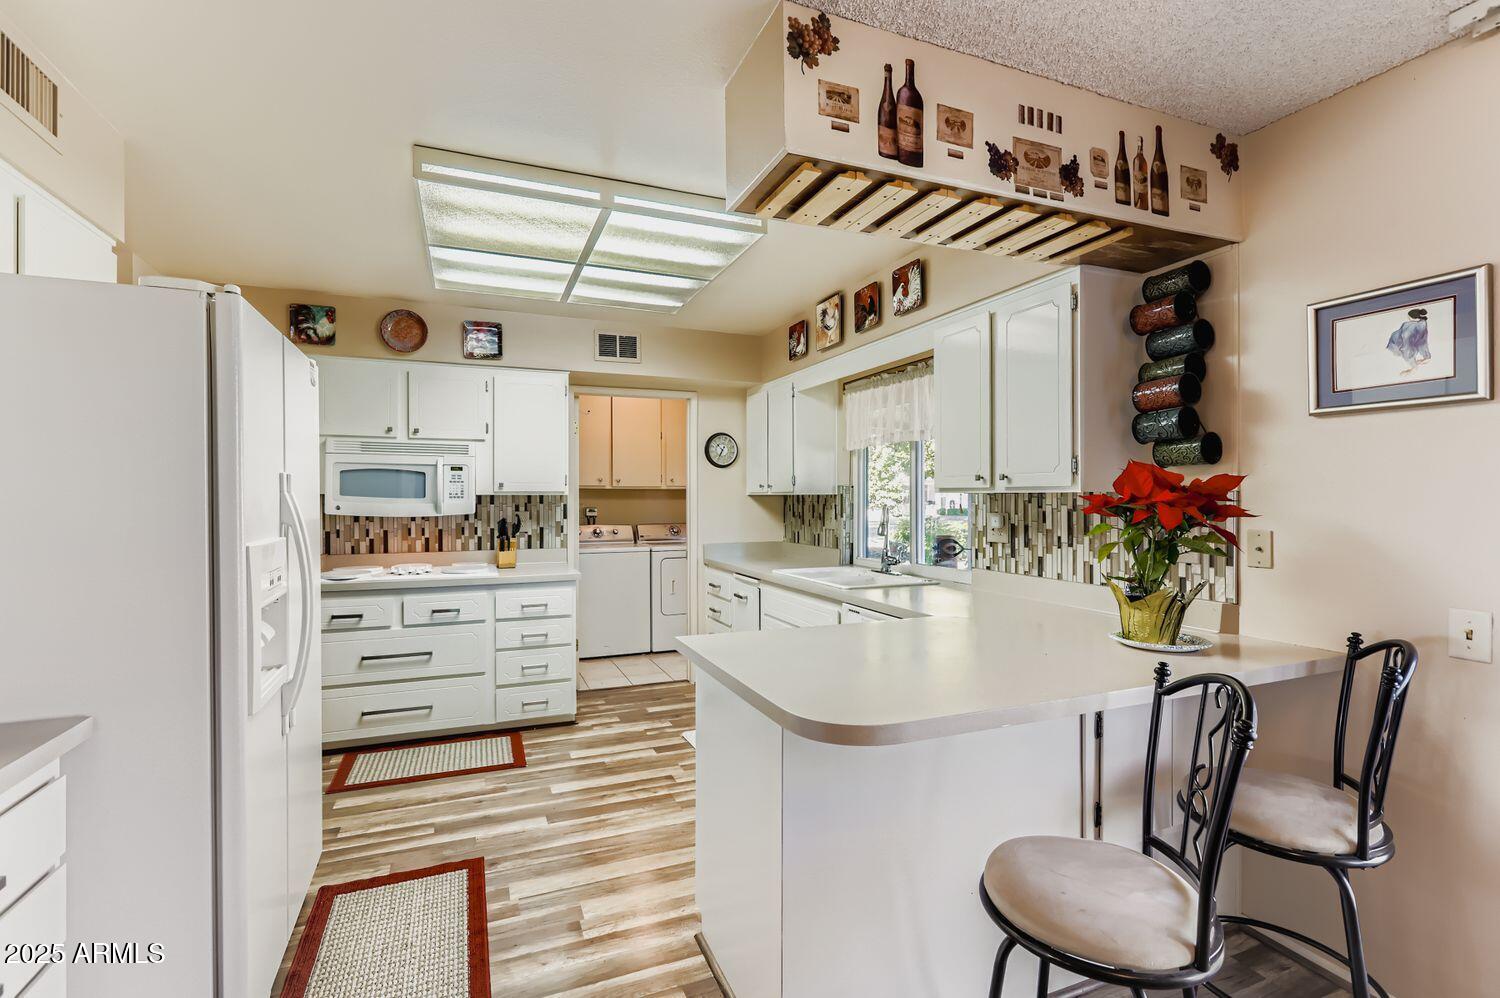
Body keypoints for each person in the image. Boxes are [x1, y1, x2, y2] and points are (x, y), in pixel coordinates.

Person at [1386, 307, 1431, 375]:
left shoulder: (1408, 326)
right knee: (1421, 343)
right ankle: (1426, 357)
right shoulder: (1422, 323)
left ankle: (1414, 367)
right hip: (1412, 340)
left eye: (1408, 316)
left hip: (1400, 341)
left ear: (1412, 317)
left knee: (1407, 349)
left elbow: (1406, 342)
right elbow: (1422, 341)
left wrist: (1412, 363)